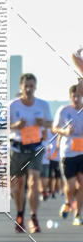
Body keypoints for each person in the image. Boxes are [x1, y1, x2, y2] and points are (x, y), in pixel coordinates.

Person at [9, 73, 51, 233]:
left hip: (36, 147)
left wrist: (43, 123)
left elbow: (51, 124)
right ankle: (20, 214)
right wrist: (16, 126)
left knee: (33, 181)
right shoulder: (12, 105)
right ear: (21, 87)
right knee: (19, 185)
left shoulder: (42, 105)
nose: (28, 89)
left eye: (31, 86)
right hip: (17, 148)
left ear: (35, 87)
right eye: (26, 86)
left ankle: (34, 217)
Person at [52, 84, 83, 225]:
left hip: (82, 152)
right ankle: (67, 202)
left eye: (79, 96)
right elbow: (54, 128)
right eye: (74, 96)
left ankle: (78, 214)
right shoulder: (64, 110)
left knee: (82, 183)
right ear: (70, 97)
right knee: (70, 186)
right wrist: (65, 132)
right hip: (68, 153)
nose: (76, 99)